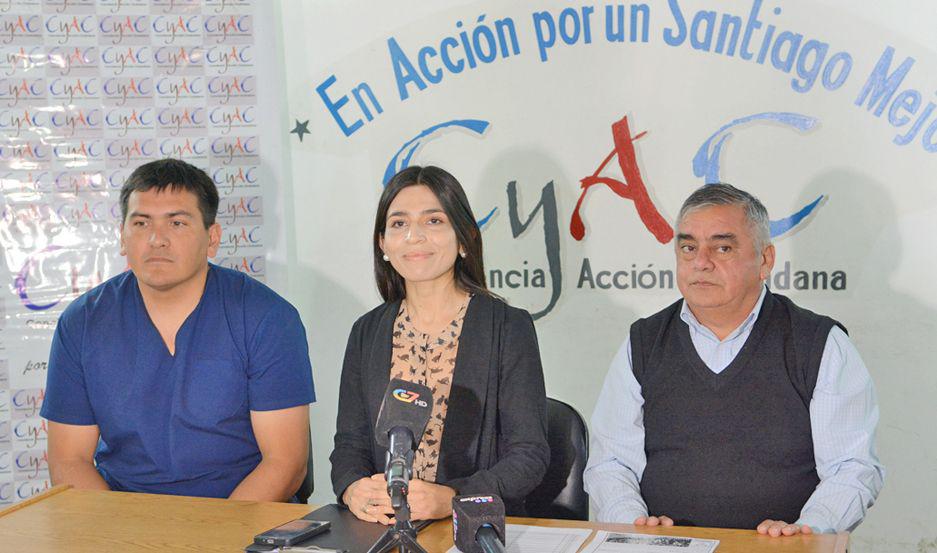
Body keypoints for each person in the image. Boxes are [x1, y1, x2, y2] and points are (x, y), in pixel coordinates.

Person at [584, 183, 884, 536]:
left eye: (722, 248)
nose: (701, 263)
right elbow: (611, 462)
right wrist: (636, 523)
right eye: (688, 248)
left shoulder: (818, 344)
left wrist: (806, 530)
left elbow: (852, 467)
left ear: (765, 260)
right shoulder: (645, 342)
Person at [41, 158, 315, 501]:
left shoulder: (267, 317)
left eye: (178, 223)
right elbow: (69, 461)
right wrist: (122, 536)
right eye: (141, 223)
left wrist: (210, 542)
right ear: (123, 238)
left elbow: (286, 464)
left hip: (242, 520)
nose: (157, 239)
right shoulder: (82, 322)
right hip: (125, 517)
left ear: (212, 238)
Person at [330, 165, 549, 524]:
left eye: (433, 221)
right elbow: (349, 445)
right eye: (399, 223)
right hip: (381, 530)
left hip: (471, 529)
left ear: (464, 239)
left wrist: (454, 498)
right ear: (383, 244)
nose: (414, 236)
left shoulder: (508, 327)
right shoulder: (367, 332)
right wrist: (352, 488)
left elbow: (529, 455)